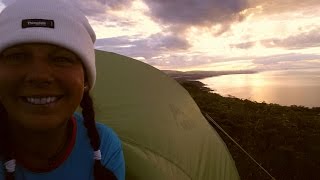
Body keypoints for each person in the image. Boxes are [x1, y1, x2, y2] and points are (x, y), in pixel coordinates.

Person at [0, 0, 125, 179]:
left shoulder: (104, 145)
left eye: (62, 59)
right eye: (17, 56)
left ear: (86, 81)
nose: (39, 75)